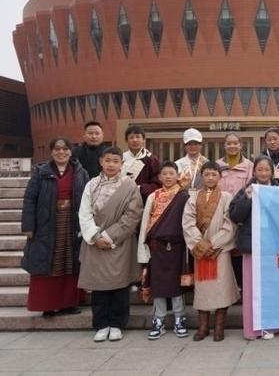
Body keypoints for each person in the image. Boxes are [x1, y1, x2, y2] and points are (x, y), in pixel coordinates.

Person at [77, 146, 143, 342]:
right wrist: (95, 236)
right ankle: (101, 324)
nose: (111, 165)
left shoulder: (129, 186)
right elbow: (84, 213)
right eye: (108, 161)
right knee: (99, 287)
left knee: (119, 286)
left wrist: (109, 236)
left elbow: (133, 215)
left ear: (121, 163)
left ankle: (117, 324)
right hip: (95, 241)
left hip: (119, 242)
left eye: (116, 161)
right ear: (101, 162)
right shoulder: (92, 185)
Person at [21, 137, 90, 317]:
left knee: (70, 262)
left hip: (72, 222)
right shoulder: (41, 172)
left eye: (65, 149)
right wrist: (29, 226)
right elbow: (29, 199)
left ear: (70, 151)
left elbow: (88, 198)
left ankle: (68, 303)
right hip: (47, 223)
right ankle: (48, 304)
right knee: (48, 262)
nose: (61, 152)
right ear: (51, 152)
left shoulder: (80, 172)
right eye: (57, 149)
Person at [182, 161, 239, 342]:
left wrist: (213, 244)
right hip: (200, 251)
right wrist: (200, 244)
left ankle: (219, 327)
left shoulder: (227, 197)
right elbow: (188, 222)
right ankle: (203, 327)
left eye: (214, 174)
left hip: (218, 251)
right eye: (207, 174)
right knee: (203, 290)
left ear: (220, 177)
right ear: (202, 176)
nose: (210, 178)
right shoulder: (193, 198)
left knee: (220, 288)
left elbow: (230, 224)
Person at [137, 161, 191, 340]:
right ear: (159, 177)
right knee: (158, 286)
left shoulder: (183, 196)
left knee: (176, 285)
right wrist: (143, 247)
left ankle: (179, 318)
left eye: (171, 173)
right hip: (157, 247)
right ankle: (158, 319)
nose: (168, 177)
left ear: (177, 175)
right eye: (164, 174)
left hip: (177, 247)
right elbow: (146, 222)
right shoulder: (154, 196)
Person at [229, 156, 278, 341]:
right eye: (260, 169)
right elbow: (235, 216)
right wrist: (248, 199)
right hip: (251, 246)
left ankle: (271, 326)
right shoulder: (246, 191)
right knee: (251, 289)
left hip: (272, 246)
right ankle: (252, 329)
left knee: (271, 288)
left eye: (267, 170)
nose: (263, 173)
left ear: (272, 172)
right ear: (254, 172)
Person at [216, 132, 253, 292]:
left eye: (235, 143)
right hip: (221, 214)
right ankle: (225, 288)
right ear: (224, 146)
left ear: (241, 145)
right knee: (223, 251)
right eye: (228, 143)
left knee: (239, 250)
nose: (232, 146)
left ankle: (241, 286)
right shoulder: (217, 165)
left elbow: (250, 191)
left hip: (241, 215)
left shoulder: (249, 166)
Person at [121, 124, 161, 203]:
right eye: (131, 137)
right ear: (126, 140)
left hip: (143, 200)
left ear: (144, 140)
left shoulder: (151, 160)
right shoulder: (121, 159)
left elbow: (157, 184)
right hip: (122, 200)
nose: (135, 140)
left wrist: (139, 188)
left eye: (138, 137)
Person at [175, 128, 208, 193]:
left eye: (195, 144)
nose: (192, 147)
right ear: (184, 146)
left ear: (201, 145)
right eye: (189, 144)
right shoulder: (177, 164)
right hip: (183, 199)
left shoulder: (207, 163)